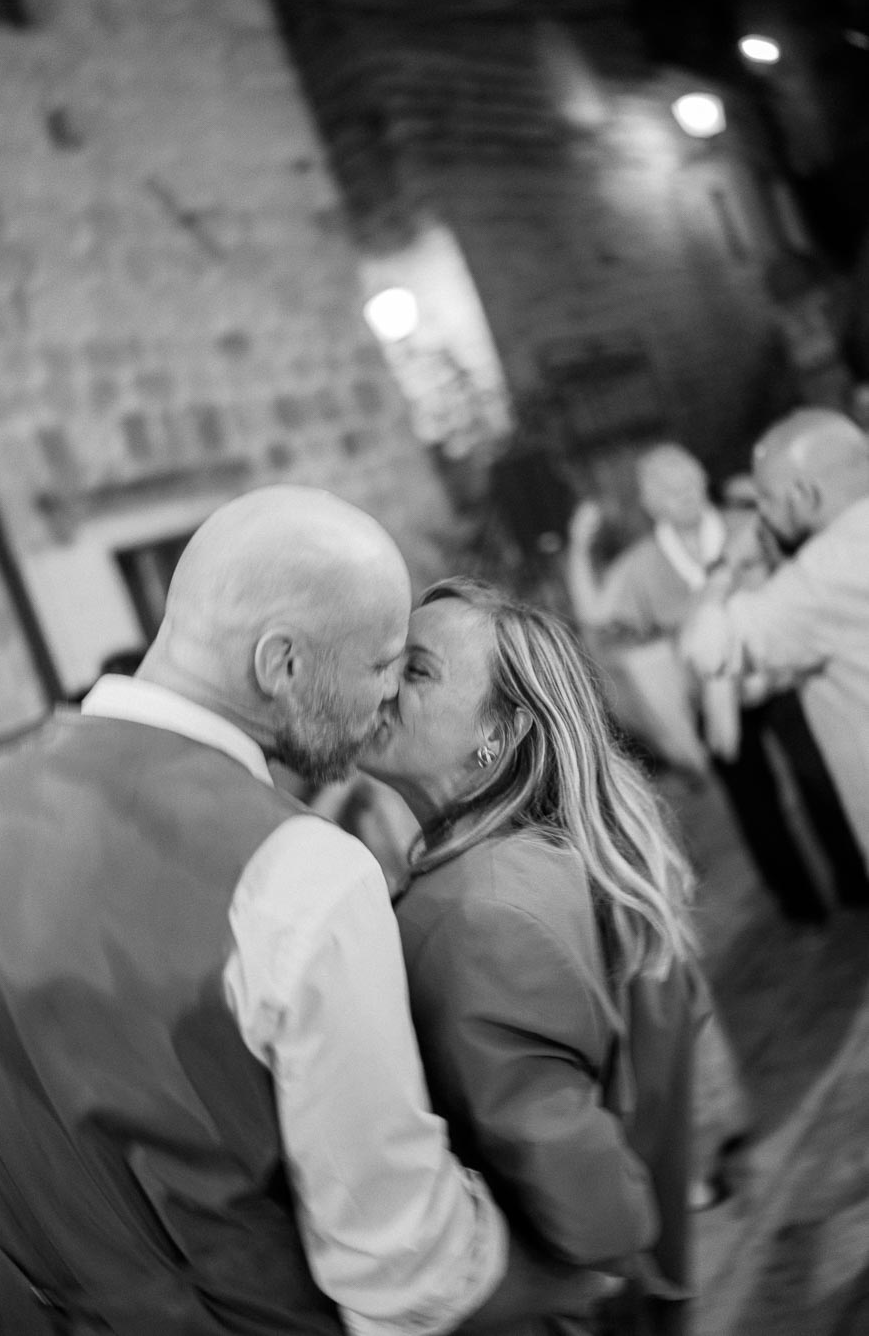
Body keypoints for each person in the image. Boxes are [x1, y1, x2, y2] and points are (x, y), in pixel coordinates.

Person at [0, 486, 625, 1336]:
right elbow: (397, 1259)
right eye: (383, 664)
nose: (387, 696)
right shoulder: (299, 873)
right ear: (281, 665)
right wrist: (557, 1280)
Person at [359, 576, 703, 1336]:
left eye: (416, 670)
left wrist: (597, 1273)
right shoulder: (553, 856)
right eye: (385, 662)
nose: (381, 685)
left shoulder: (483, 911)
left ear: (502, 732)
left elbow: (567, 1167)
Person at [566, 442, 831, 924]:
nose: (684, 492)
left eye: (688, 478)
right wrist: (580, 546)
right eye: (669, 488)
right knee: (756, 806)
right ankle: (800, 905)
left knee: (818, 776)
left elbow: (811, 552)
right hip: (715, 700)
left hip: (781, 676)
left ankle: (855, 883)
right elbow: (595, 616)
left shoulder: (745, 524)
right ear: (651, 504)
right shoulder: (644, 564)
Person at [681, 408, 869, 880]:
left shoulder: (819, 579)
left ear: (805, 494)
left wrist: (725, 566)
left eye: (766, 499)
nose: (759, 514)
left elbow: (706, 648)